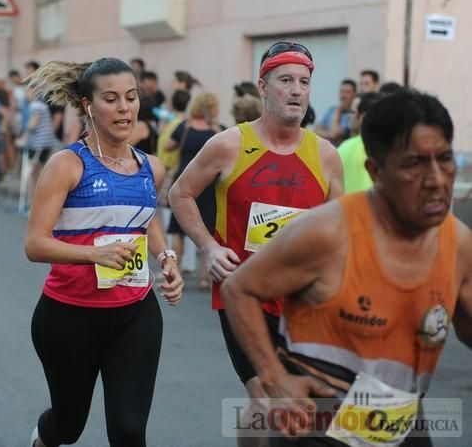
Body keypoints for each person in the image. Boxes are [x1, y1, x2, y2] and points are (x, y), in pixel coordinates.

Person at [220, 90, 472, 446]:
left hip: (400, 424)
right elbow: (239, 288)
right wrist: (274, 378)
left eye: (444, 159)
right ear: (376, 171)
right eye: (414, 164)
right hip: (317, 425)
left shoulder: (459, 243)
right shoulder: (326, 232)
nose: (435, 179)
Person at [168, 41, 343, 446]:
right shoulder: (228, 144)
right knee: (266, 397)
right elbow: (180, 193)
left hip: (303, 302)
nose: (297, 90)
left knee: (289, 405)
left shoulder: (326, 155)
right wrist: (209, 248)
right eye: (286, 81)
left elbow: (338, 231)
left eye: (304, 81)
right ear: (263, 88)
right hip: (243, 296)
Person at [24, 57, 184, 447]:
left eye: (131, 98)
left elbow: (145, 221)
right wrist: (93, 255)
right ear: (87, 105)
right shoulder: (67, 165)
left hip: (135, 313)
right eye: (111, 99)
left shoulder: (152, 168)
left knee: (130, 431)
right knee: (68, 426)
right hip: (68, 315)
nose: (124, 107)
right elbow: (34, 244)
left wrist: (167, 260)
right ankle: (43, 438)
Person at [165, 92, 224, 290]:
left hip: (184, 181)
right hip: (209, 186)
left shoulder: (185, 127)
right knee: (208, 228)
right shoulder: (218, 131)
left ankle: (176, 270)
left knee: (178, 228)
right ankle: (205, 278)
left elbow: (167, 147)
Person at [338, 92, 382, 193]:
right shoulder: (392, 150)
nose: (350, 116)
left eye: (353, 112)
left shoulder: (343, 148)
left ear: (362, 117)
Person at [316, 79, 357, 145]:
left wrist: (338, 111)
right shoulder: (331, 109)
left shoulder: (354, 115)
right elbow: (317, 130)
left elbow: (335, 134)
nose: (343, 95)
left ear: (354, 94)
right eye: (342, 91)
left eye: (348, 92)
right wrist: (330, 134)